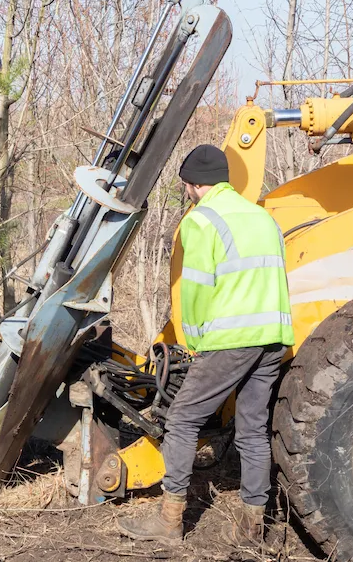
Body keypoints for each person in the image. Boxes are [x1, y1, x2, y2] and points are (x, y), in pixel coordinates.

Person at [117, 144, 294, 547]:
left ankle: (169, 523)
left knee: (180, 421)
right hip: (273, 338)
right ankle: (253, 529)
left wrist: (193, 342)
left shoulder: (201, 221)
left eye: (186, 187)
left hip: (231, 340)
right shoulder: (264, 218)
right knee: (252, 430)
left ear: (193, 185)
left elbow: (194, 292)